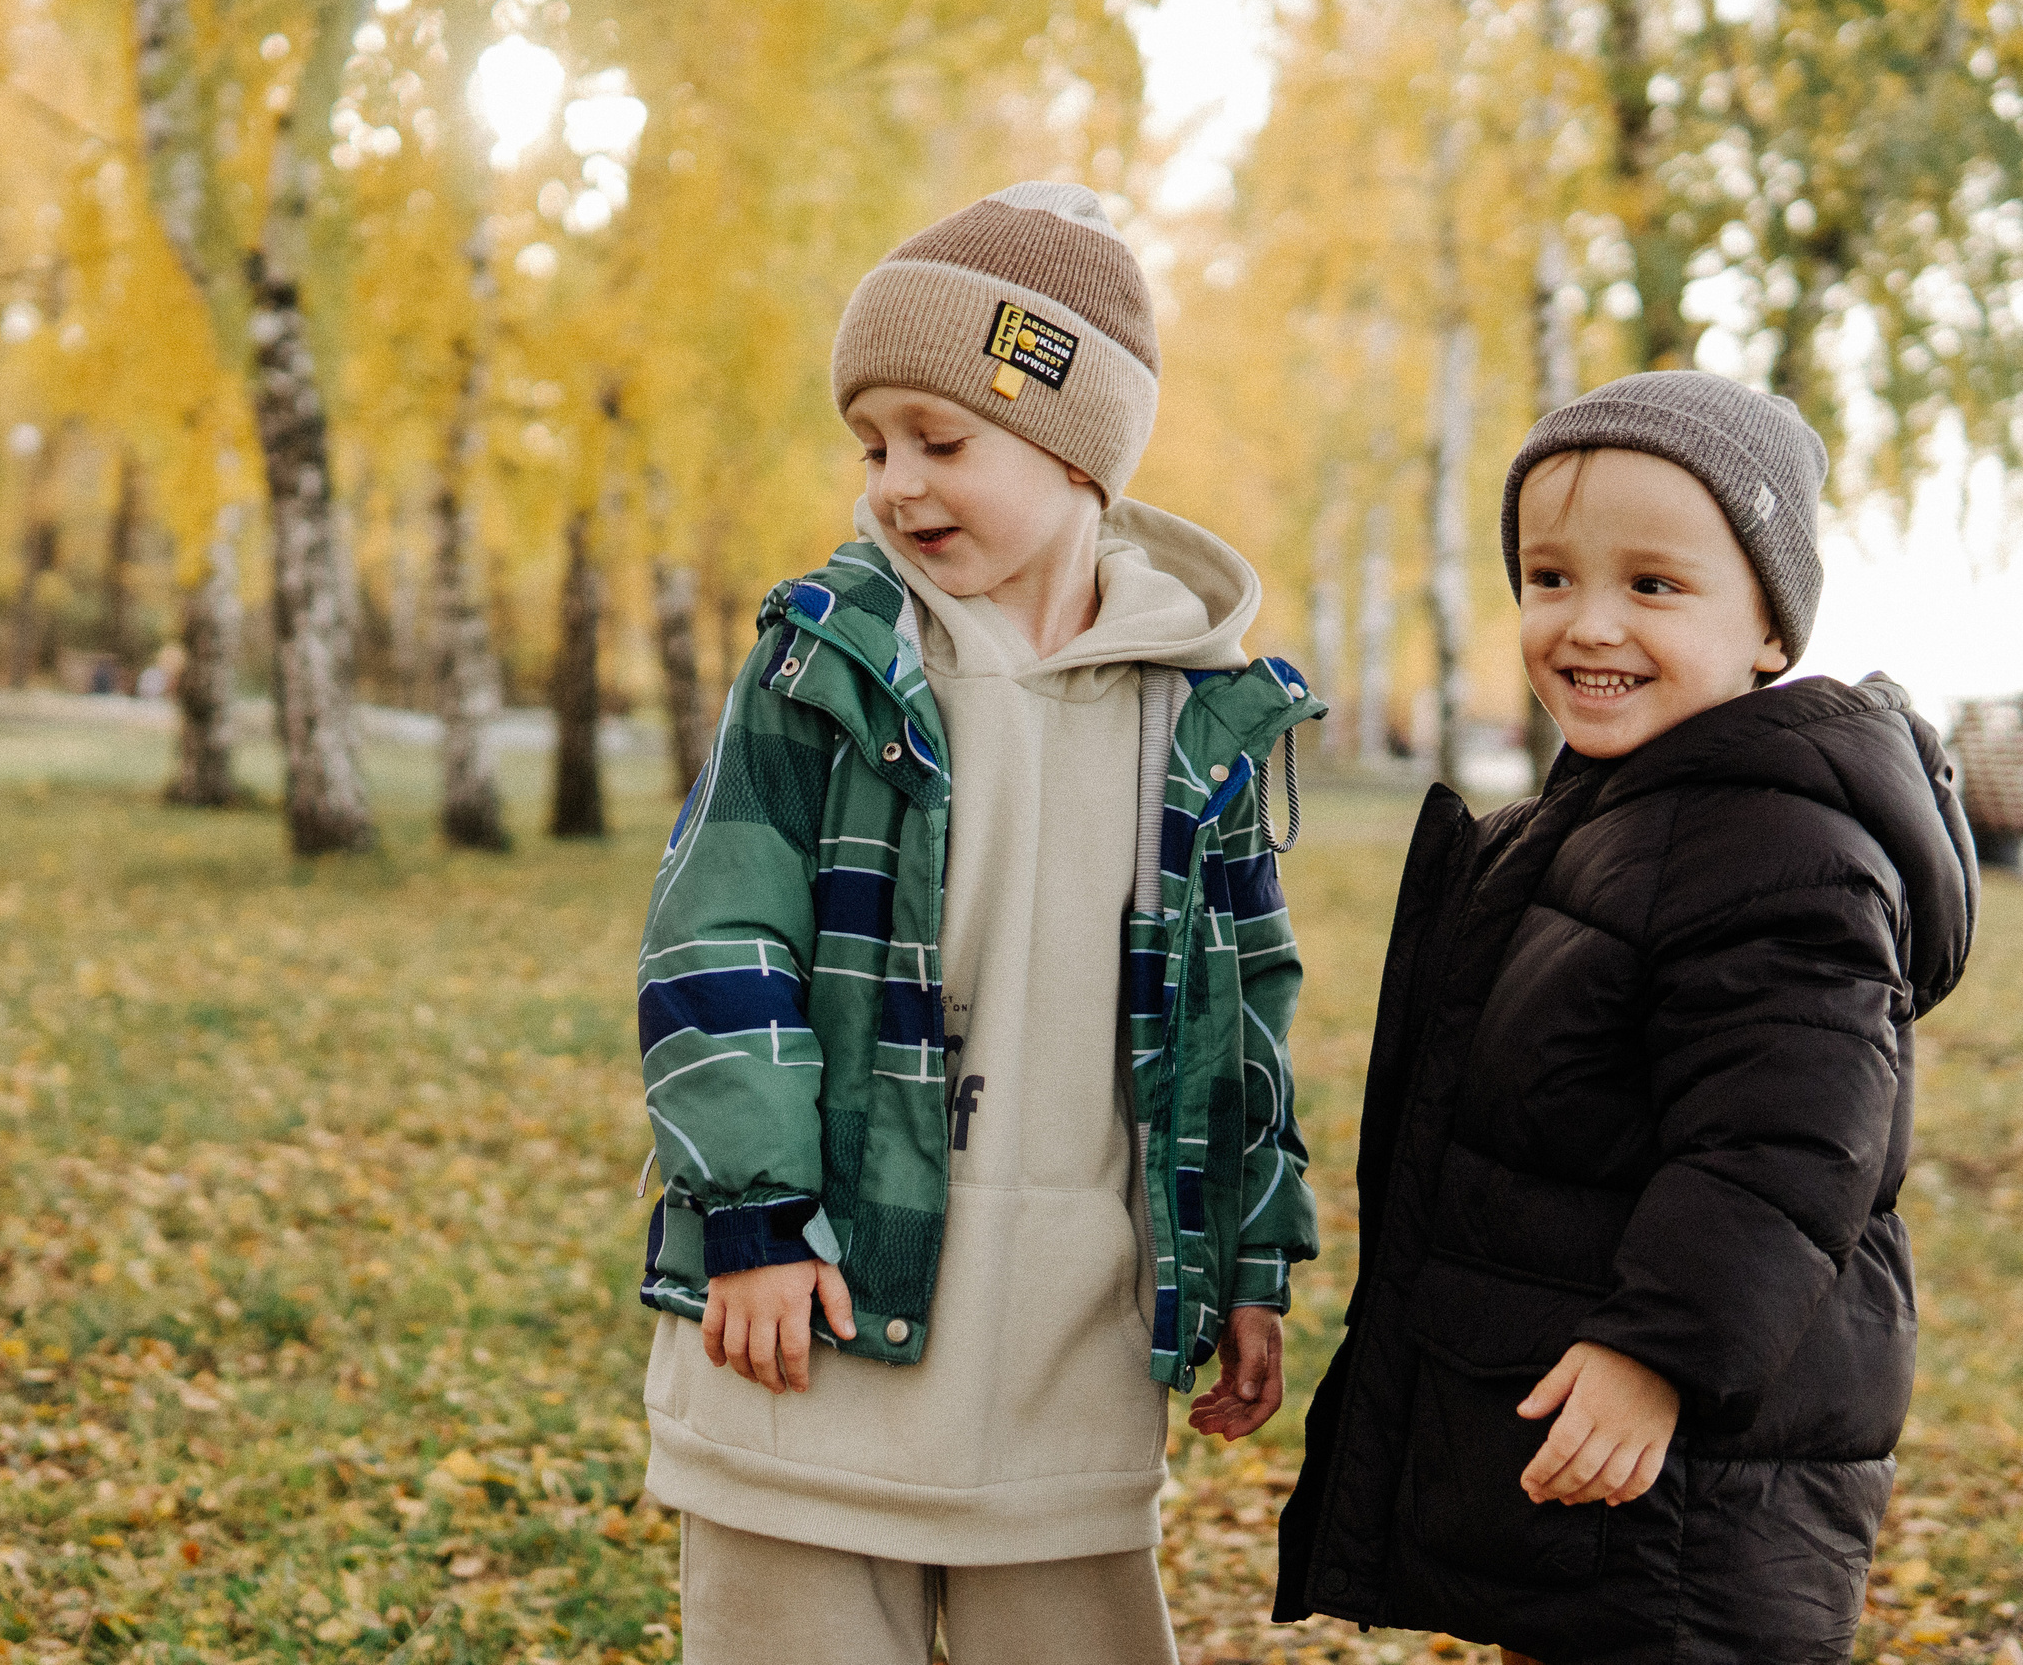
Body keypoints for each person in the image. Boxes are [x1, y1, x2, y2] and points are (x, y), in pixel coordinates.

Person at [632, 182, 1326, 1664]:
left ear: (1080, 453)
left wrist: (1248, 1262)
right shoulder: (829, 665)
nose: (895, 483)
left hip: (1061, 1345)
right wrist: (748, 1221)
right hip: (809, 1315)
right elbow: (720, 936)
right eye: (874, 444)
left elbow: (1242, 1017)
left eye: (944, 441)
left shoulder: (1199, 717)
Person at [1274, 371, 1979, 1664]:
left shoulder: (1779, 846)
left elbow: (1781, 1147)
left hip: (1693, 1494)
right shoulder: (1601, 822)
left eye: (1653, 586)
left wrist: (1659, 1351)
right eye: (1551, 579)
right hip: (1592, 1476)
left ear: (1771, 629)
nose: (1587, 623)